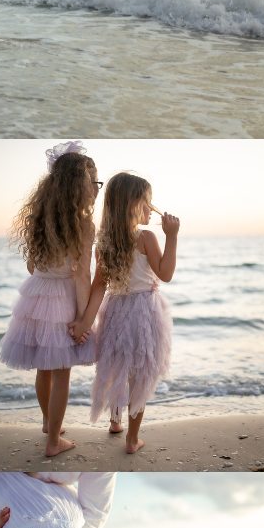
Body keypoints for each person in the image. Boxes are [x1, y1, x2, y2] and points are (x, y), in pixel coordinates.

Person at [0, 142, 100, 456]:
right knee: (62, 373)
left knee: (45, 368)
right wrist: (84, 319)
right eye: (94, 183)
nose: (97, 189)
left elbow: (31, 265)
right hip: (62, 299)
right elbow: (82, 275)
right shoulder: (83, 225)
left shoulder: (39, 218)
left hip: (36, 295)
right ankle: (54, 441)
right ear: (81, 187)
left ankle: (47, 422)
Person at [70, 174, 177, 454]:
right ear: (132, 204)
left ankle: (115, 422)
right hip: (145, 311)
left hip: (116, 309)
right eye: (147, 202)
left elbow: (98, 287)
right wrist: (173, 237)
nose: (150, 208)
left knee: (116, 365)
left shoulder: (104, 244)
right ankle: (132, 439)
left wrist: (85, 323)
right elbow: (165, 274)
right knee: (141, 372)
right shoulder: (147, 238)